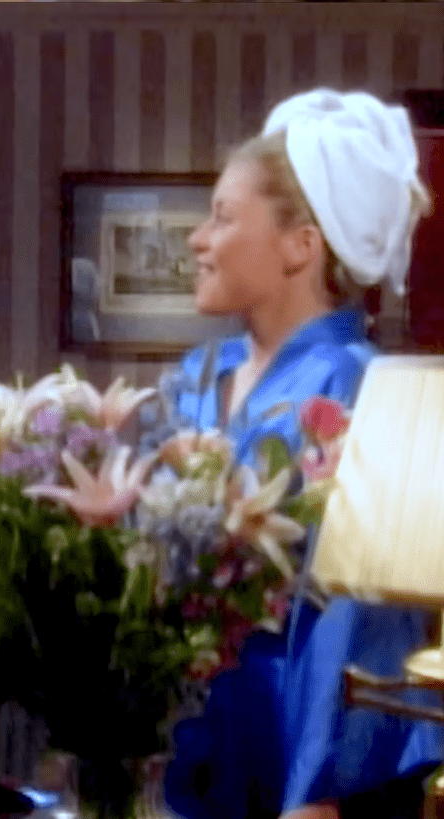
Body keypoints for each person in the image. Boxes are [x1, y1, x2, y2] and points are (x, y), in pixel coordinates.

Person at [160, 89, 442, 819]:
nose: (198, 240)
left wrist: (317, 790)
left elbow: (358, 605)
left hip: (297, 746)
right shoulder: (196, 378)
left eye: (223, 217)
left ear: (300, 246)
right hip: (190, 737)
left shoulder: (358, 385)